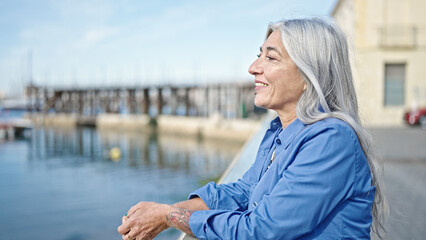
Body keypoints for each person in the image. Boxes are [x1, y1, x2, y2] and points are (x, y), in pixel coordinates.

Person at [117, 17, 386, 240]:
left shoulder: (330, 141)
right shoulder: (279, 133)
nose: (253, 68)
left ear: (308, 75)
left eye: (271, 58)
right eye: (259, 55)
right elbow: (243, 192)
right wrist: (166, 211)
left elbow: (260, 231)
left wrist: (168, 217)